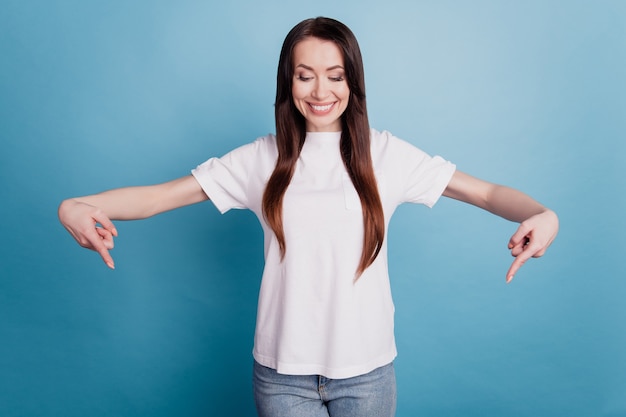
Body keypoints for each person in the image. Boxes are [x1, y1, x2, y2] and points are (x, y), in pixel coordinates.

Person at [58, 16, 559, 417]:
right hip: (282, 378)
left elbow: (487, 192)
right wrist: (74, 206)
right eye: (305, 75)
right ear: (289, 81)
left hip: (367, 375)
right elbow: (158, 197)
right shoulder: (261, 158)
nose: (321, 91)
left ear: (352, 81)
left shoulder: (387, 156)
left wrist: (543, 214)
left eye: (335, 75)